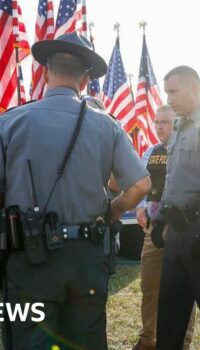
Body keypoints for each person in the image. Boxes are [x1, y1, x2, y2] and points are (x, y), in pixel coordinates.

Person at [0, 32, 151, 350]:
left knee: (28, 340)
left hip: (28, 261)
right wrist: (111, 211)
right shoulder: (107, 125)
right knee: (86, 340)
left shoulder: (9, 123)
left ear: (45, 72)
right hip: (87, 257)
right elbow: (140, 185)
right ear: (85, 80)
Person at [152, 66, 200, 350]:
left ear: (194, 88)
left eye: (174, 91)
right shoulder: (178, 127)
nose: (170, 98)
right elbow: (172, 177)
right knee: (169, 316)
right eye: (167, 92)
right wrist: (161, 218)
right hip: (176, 234)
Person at [133, 105, 195, 350]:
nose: (160, 126)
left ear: (178, 123)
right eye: (157, 122)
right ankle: (148, 340)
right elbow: (142, 185)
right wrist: (140, 206)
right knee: (150, 288)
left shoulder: (191, 151)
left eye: (166, 122)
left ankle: (181, 344)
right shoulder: (150, 152)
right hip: (153, 229)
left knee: (182, 292)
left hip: (181, 228)